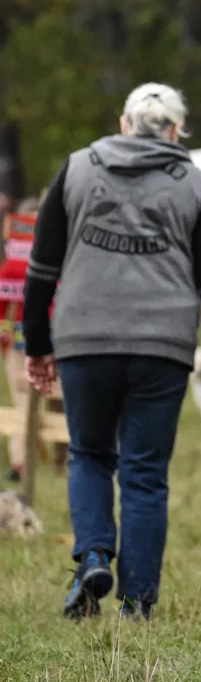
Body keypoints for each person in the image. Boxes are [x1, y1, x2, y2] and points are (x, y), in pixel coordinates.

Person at [23, 83, 201, 620]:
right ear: (176, 131)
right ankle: (137, 601)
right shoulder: (194, 184)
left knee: (90, 454)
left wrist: (37, 344)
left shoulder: (76, 168)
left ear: (124, 123)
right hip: (162, 345)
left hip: (84, 338)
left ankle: (94, 554)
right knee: (144, 472)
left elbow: (42, 266)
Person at [0, 200, 39, 481]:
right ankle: (20, 461)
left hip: (56, 343)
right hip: (21, 344)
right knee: (24, 401)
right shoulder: (12, 268)